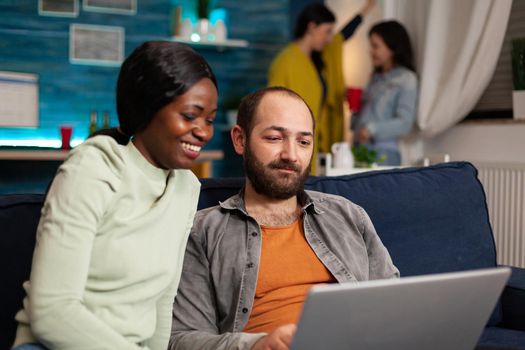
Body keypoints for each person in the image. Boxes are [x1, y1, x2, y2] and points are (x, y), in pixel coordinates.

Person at [11, 41, 218, 350]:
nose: (203, 131)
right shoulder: (93, 168)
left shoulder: (186, 186)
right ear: (147, 108)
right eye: (190, 116)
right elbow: (51, 312)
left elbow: (161, 302)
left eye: (210, 119)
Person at [169, 86, 399, 350]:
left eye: (303, 142)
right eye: (275, 138)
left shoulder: (348, 215)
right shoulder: (203, 231)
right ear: (240, 140)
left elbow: (394, 308)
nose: (291, 155)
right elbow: (181, 339)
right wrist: (257, 345)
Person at [268, 0, 376, 163]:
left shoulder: (316, 61)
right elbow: (272, 108)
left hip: (315, 144)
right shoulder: (286, 61)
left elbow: (344, 35)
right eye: (327, 31)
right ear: (311, 27)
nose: (329, 39)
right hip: (292, 147)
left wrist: (367, 9)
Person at [351, 20, 418, 166]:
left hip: (383, 154)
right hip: (360, 151)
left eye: (375, 46)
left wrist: (371, 130)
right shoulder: (374, 78)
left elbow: (405, 123)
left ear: (392, 48)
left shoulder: (406, 79)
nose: (370, 51)